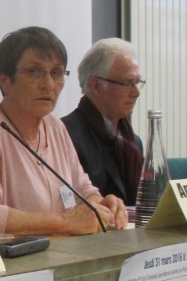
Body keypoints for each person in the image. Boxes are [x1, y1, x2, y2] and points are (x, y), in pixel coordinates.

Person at [0, 27, 128, 234]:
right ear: (4, 80)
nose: (48, 85)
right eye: (34, 72)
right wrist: (64, 222)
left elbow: (83, 191)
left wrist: (104, 205)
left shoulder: (56, 128)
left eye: (56, 73)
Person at [61, 38, 144, 204]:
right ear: (96, 86)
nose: (136, 93)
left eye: (137, 83)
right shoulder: (65, 136)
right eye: (127, 83)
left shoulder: (133, 141)